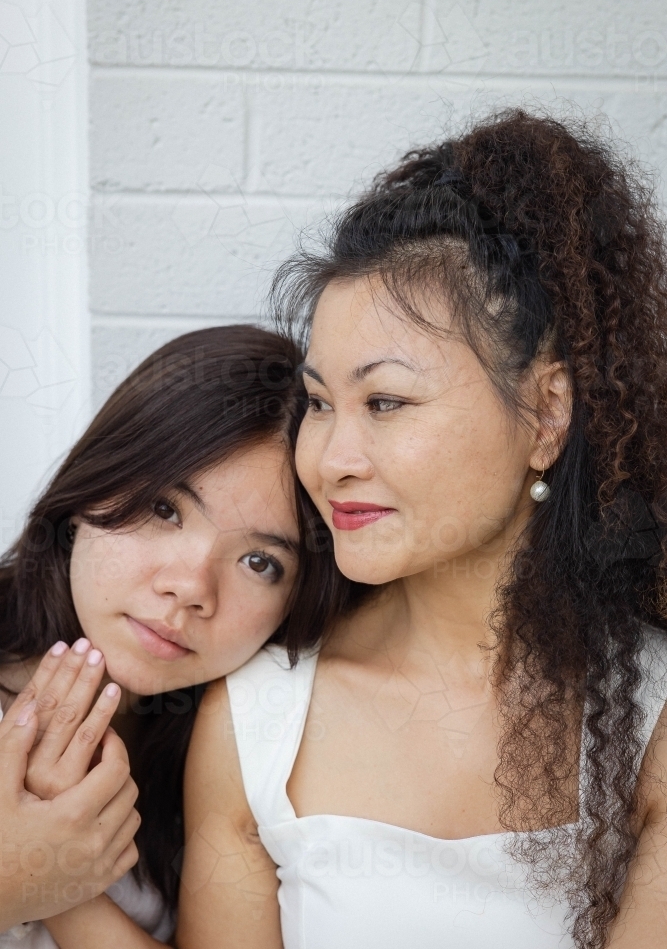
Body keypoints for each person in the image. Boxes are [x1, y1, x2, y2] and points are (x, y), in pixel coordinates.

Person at [177, 110, 667, 949]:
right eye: (321, 404)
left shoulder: (650, 718)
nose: (331, 460)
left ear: (546, 413)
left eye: (387, 402)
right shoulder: (258, 721)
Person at [0, 324, 360, 948]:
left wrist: (65, 880)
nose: (191, 586)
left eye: (260, 563)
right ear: (95, 483)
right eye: (166, 510)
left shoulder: (234, 753)